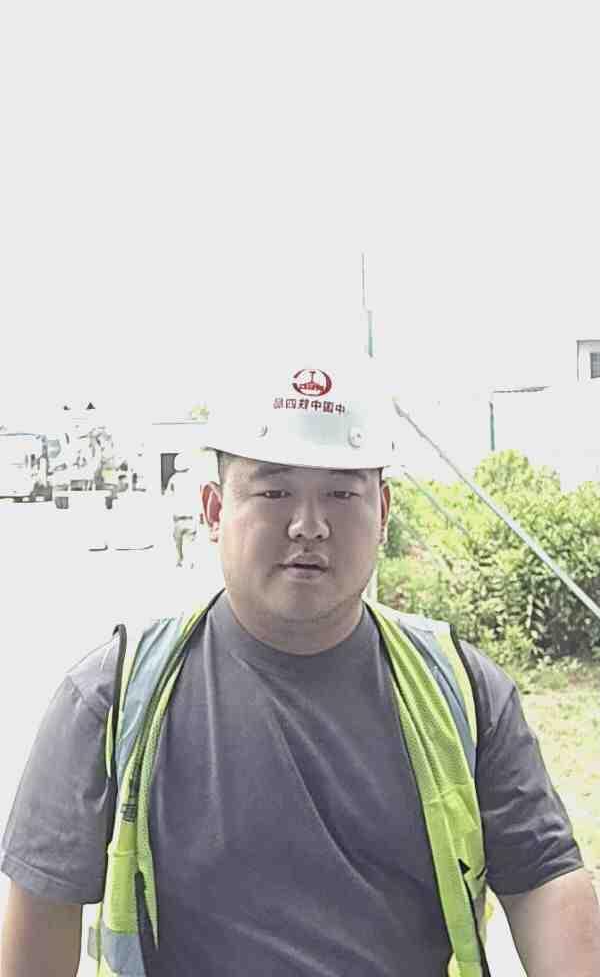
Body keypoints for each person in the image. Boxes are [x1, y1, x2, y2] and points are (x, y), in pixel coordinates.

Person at [1, 351, 599, 977]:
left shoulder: (463, 693)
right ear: (213, 510)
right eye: (275, 491)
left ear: (383, 513)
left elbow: (546, 883)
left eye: (340, 493)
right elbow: (36, 932)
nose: (308, 526)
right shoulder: (112, 699)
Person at [163, 454, 201, 566]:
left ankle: (179, 561)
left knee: (177, 542)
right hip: (191, 517)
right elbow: (199, 496)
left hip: (178, 518)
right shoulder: (194, 478)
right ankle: (191, 562)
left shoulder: (173, 479)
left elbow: (168, 497)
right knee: (191, 541)